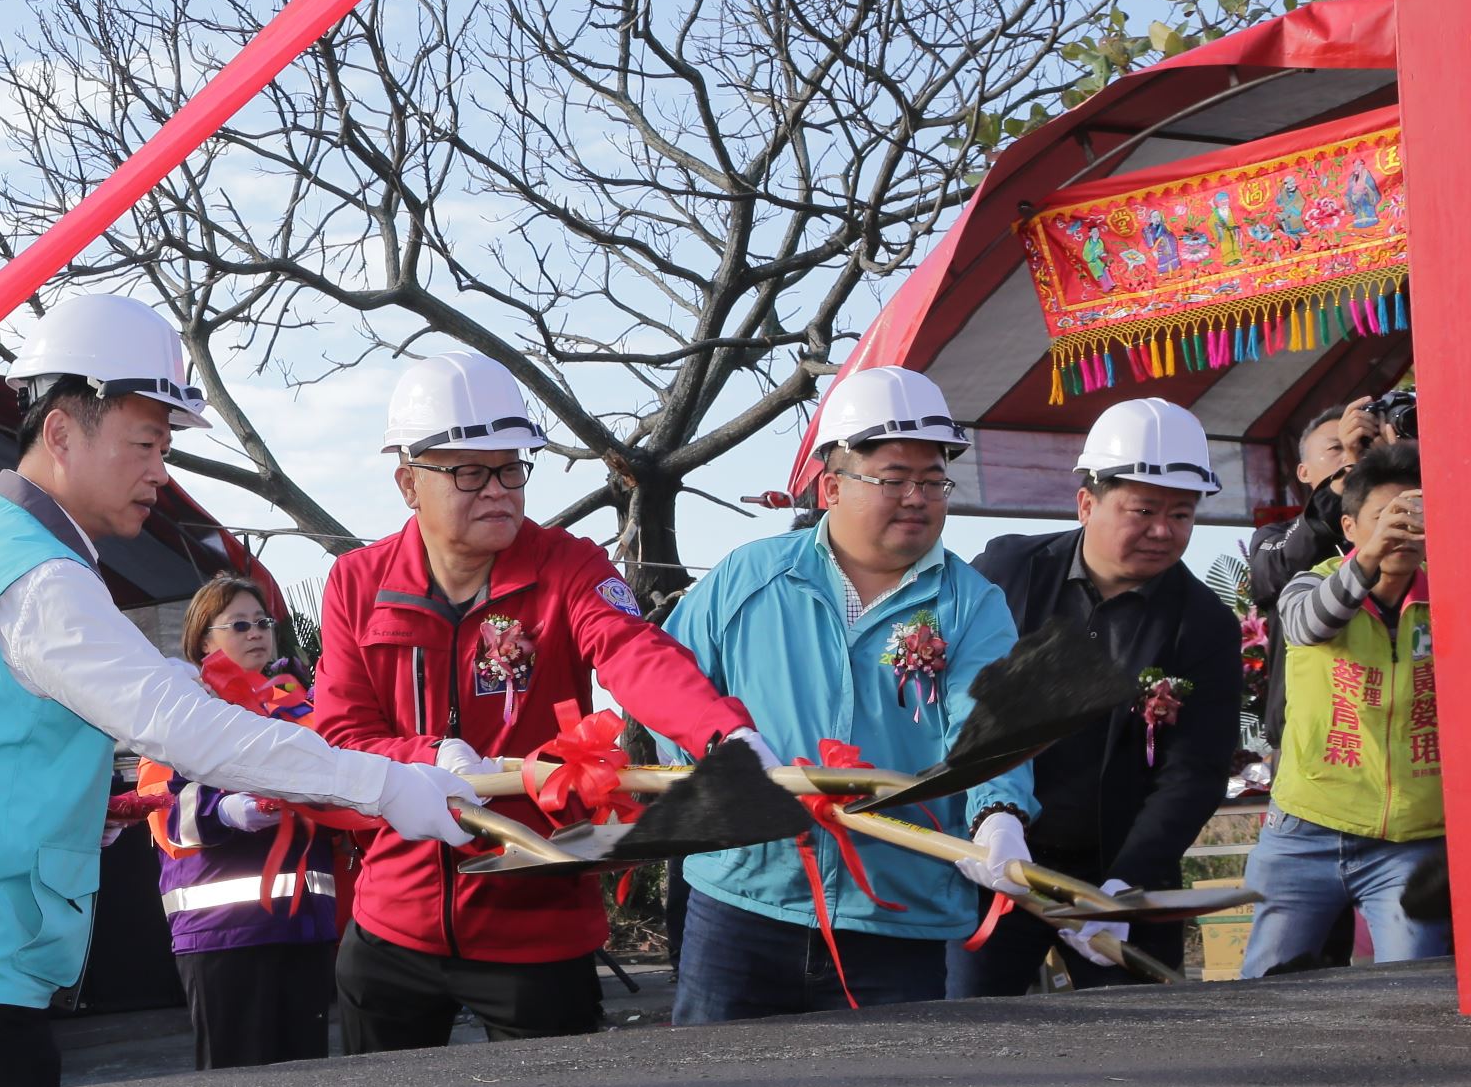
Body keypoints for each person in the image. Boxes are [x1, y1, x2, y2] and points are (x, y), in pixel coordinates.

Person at [0, 294, 479, 1087]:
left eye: (166, 444)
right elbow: (186, 731)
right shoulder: (42, 580)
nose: (160, 470)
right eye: (146, 443)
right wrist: (390, 785)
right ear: (62, 432)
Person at [312, 353, 766, 1051]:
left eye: (512, 467)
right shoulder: (355, 583)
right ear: (408, 483)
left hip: (537, 925)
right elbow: (340, 732)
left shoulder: (568, 566)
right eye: (470, 471)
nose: (498, 490)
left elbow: (630, 650)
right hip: (392, 928)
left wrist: (721, 735)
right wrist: (432, 757)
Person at [659, 366, 1039, 1023]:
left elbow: (987, 722)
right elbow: (670, 684)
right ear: (831, 485)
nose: (918, 497)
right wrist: (713, 771)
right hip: (743, 899)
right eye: (894, 479)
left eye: (933, 480)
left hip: (898, 914)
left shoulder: (972, 606)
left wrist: (997, 813)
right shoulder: (750, 576)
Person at [951, 399, 1242, 997]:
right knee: (963, 1032)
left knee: (1141, 1042)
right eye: (1143, 510)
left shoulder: (1204, 622)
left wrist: (1125, 887)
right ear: (1087, 501)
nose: (1164, 531)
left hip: (1117, 871)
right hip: (997, 856)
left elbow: (1195, 771)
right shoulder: (1009, 571)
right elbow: (959, 701)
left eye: (1182, 514)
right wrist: (985, 821)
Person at [1241, 441, 1446, 973]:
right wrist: (1371, 559)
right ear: (1350, 527)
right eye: (1383, 517)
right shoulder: (1308, 582)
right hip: (1304, 829)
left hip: (1410, 842)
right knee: (1264, 1002)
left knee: (1414, 1002)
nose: (1400, 529)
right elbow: (1309, 624)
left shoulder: (1452, 593)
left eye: (1413, 513)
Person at [136, 575, 342, 1069]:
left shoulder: (302, 708)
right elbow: (158, 809)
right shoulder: (179, 709)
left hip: (305, 931)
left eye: (264, 623)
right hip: (222, 934)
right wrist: (223, 811)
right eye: (240, 625)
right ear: (203, 640)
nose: (257, 634)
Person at [1246, 398, 1381, 733]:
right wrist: (1349, 472)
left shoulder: (1407, 533)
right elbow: (1276, 571)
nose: (1355, 455)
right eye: (1336, 447)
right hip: (1307, 732)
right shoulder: (1273, 536)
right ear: (1303, 471)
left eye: (1365, 446)